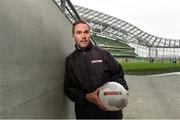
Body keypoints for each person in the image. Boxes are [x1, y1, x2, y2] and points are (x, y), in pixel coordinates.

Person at [64, 20, 129, 119]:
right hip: (85, 114)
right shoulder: (70, 60)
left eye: (86, 32)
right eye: (79, 32)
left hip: (111, 114)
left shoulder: (104, 54)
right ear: (73, 36)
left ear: (90, 34)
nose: (83, 36)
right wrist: (87, 97)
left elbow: (118, 74)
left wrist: (122, 91)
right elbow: (69, 89)